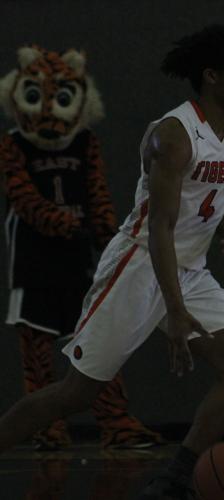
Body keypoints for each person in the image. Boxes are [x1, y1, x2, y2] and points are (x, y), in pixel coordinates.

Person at [0, 23, 224, 500]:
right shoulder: (173, 135)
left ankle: (174, 480)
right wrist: (176, 312)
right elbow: (159, 226)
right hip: (139, 265)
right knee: (75, 394)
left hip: (190, 269)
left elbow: (210, 194)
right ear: (211, 75)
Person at [0, 45, 163, 450]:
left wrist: (109, 235)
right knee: (37, 353)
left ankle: (116, 423)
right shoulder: (13, 144)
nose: (51, 111)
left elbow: (98, 192)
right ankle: (47, 430)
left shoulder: (85, 141)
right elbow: (23, 198)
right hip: (32, 261)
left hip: (77, 259)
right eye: (37, 97)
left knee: (95, 342)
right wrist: (64, 222)